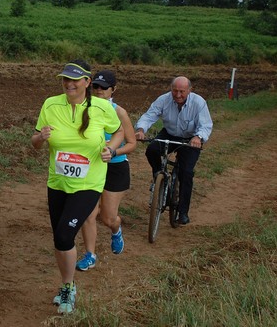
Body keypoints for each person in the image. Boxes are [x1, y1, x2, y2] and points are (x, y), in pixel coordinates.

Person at [31, 60, 123, 314]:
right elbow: (35, 142)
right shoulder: (50, 104)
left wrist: (111, 148)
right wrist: (41, 137)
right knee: (59, 240)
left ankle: (69, 288)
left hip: (89, 184)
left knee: (64, 234)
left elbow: (118, 133)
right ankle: (67, 284)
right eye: (65, 79)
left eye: (74, 80)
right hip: (58, 182)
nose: (69, 84)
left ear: (87, 82)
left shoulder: (103, 107)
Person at [76, 70, 136, 271]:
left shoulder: (119, 112)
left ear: (113, 90)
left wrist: (113, 150)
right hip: (91, 166)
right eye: (96, 87)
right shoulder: (84, 108)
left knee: (108, 218)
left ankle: (116, 230)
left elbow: (132, 143)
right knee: (88, 214)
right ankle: (90, 255)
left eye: (104, 88)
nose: (99, 91)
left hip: (115, 167)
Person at [134, 76, 212, 225]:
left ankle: (182, 212)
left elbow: (205, 125)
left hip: (191, 139)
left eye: (182, 91)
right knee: (152, 150)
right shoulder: (164, 99)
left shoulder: (199, 103)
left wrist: (198, 137)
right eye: (174, 91)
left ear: (189, 90)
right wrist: (141, 129)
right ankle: (158, 175)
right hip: (169, 133)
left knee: (186, 172)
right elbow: (150, 115)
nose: (177, 95)